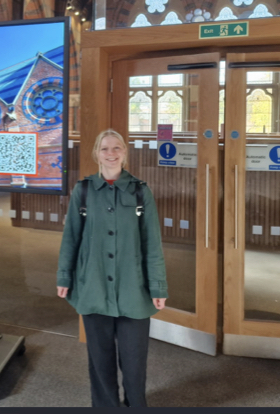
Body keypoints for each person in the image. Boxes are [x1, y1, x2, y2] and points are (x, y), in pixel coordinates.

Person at [57, 128, 168, 407]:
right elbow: (71, 237)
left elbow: (152, 243)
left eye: (116, 147)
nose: (111, 153)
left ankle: (135, 405)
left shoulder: (141, 192)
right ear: (96, 154)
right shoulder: (82, 191)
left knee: (134, 360)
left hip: (134, 288)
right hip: (92, 286)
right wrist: (64, 276)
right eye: (105, 148)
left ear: (125, 153)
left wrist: (158, 286)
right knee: (99, 358)